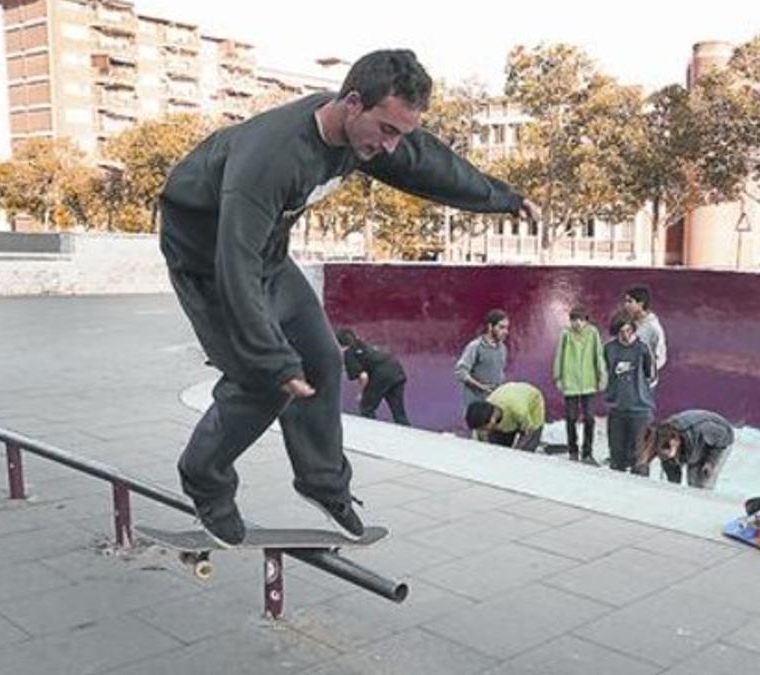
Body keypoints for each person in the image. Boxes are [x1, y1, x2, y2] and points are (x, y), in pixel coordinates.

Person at [158, 49, 539, 546]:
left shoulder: (366, 135)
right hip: (209, 264)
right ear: (353, 103)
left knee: (321, 357)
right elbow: (236, 266)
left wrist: (503, 198)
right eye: (385, 130)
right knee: (263, 380)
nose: (389, 146)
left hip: (265, 255)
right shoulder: (271, 158)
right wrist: (272, 360)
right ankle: (204, 481)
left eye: (400, 133)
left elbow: (430, 164)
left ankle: (322, 483)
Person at [552, 305, 606, 464]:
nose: (576, 323)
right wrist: (558, 377)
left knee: (589, 418)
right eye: (573, 320)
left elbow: (598, 355)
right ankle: (573, 450)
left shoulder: (593, 333)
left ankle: (587, 452)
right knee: (571, 418)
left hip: (589, 382)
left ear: (586, 320)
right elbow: (559, 355)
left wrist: (602, 376)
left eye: (580, 320)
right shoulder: (565, 334)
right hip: (570, 382)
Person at [603, 311, 656, 473]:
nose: (626, 335)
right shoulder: (609, 349)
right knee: (616, 457)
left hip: (640, 409)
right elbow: (606, 371)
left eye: (629, 331)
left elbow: (650, 374)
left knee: (639, 459)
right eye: (621, 332)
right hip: (616, 408)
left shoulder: (642, 349)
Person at [636, 410, 735, 488]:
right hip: (687, 446)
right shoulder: (662, 440)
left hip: (720, 439)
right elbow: (671, 468)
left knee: (697, 483)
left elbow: (721, 441)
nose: (663, 456)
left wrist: (710, 461)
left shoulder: (703, 430)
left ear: (676, 440)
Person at [335, 328, 408, 425]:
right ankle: (406, 433)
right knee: (399, 414)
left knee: (366, 407)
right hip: (396, 370)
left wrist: (362, 393)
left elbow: (363, 376)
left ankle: (372, 435)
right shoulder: (360, 343)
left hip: (381, 374)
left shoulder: (349, 354)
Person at [454, 309, 510, 417]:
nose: (505, 331)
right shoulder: (475, 347)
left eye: (507, 328)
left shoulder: (503, 348)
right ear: (490, 327)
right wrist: (481, 386)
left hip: (494, 405)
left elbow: (500, 372)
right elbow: (460, 372)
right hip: (476, 406)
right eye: (501, 327)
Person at [464, 381, 545, 452]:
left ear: (492, 420)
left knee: (525, 452)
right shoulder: (486, 409)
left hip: (531, 404)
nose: (483, 431)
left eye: (483, 428)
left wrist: (518, 451)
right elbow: (482, 440)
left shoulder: (519, 411)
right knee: (496, 449)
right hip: (508, 396)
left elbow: (528, 432)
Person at [622, 285, 667, 387]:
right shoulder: (628, 322)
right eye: (625, 301)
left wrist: (645, 371)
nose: (626, 305)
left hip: (643, 384)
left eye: (630, 301)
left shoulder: (653, 327)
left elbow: (660, 356)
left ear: (640, 303)